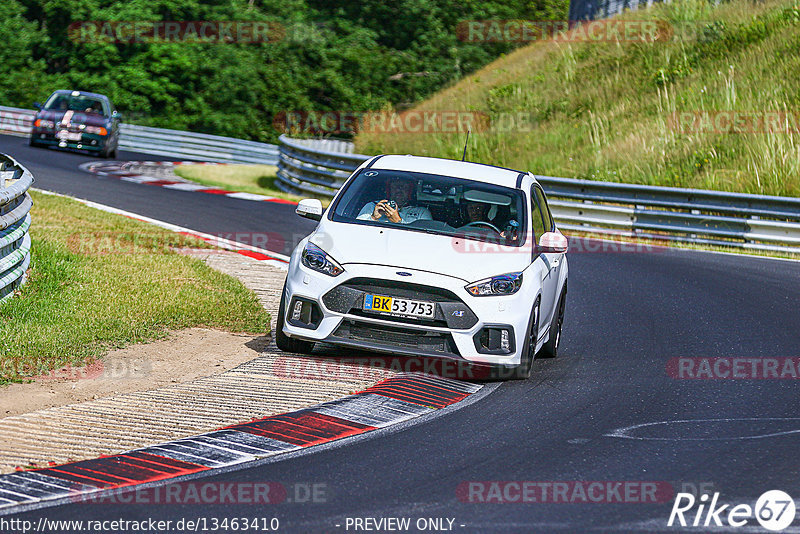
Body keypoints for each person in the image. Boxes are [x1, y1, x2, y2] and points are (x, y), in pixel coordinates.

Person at [357, 178, 432, 224]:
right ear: (389, 190)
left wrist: (398, 221)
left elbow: (423, 240)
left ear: (410, 191)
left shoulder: (422, 213)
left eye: (404, 187)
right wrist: (373, 218)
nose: (399, 190)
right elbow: (355, 230)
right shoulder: (372, 206)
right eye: (395, 187)